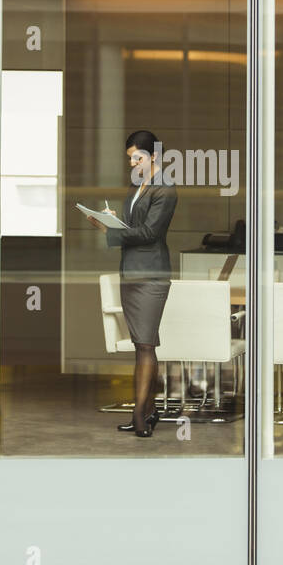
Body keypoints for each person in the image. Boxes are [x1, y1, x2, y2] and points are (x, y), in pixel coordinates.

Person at [87, 130, 178, 438]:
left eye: (137, 157)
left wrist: (109, 231)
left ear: (153, 156)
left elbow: (151, 233)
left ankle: (140, 414)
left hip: (152, 274)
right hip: (131, 272)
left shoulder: (165, 187)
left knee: (145, 344)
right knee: (141, 345)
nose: (133, 162)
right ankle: (148, 412)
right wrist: (112, 220)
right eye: (130, 158)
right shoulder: (137, 185)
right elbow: (134, 227)